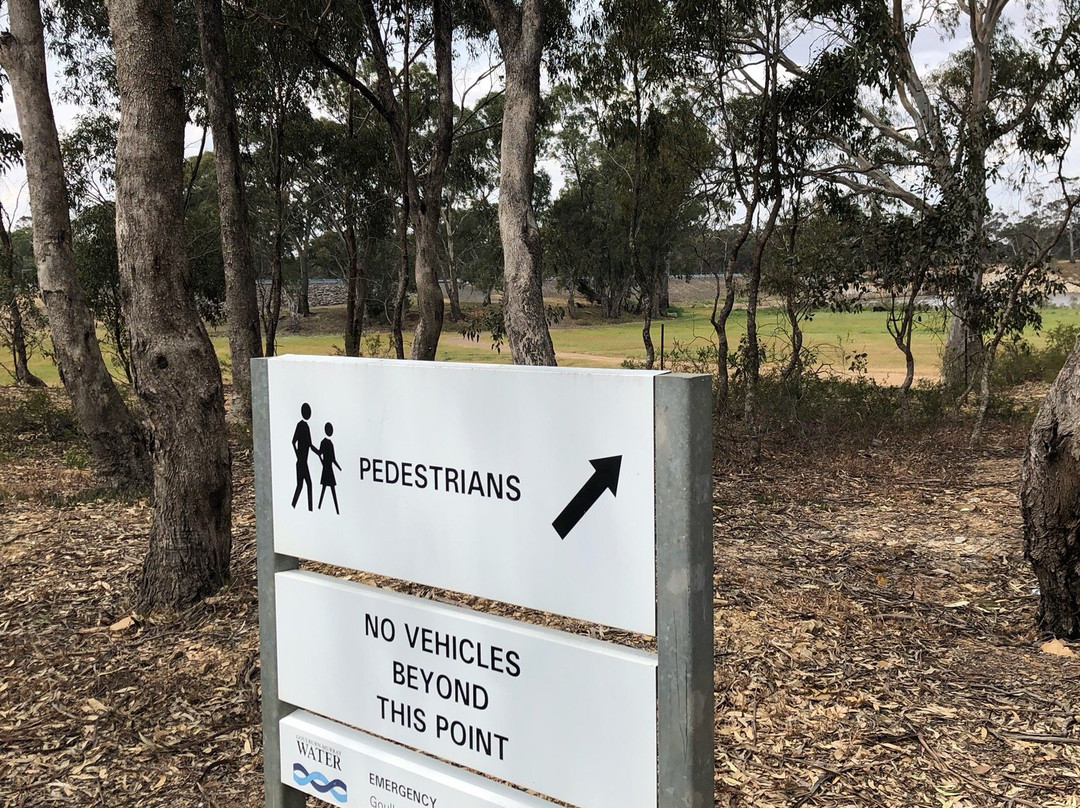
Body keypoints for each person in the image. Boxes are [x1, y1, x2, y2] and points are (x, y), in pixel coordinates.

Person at [291, 403, 316, 510]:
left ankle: (294, 506)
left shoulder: (306, 426)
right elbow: (293, 441)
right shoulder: (300, 425)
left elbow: (310, 444)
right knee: (307, 485)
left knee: (301, 486)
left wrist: (319, 452)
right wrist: (298, 457)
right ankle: (309, 508)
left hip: (303, 461)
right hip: (301, 462)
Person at [318, 422, 342, 514]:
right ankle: (320, 507)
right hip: (326, 469)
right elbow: (320, 454)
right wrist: (322, 462)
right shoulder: (324, 442)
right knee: (324, 489)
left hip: (329, 469)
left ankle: (337, 510)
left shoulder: (330, 443)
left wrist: (339, 468)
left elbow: (333, 459)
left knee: (331, 490)